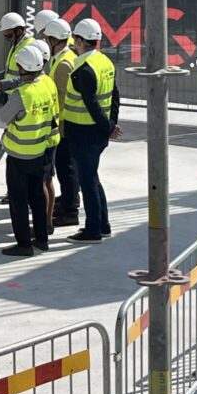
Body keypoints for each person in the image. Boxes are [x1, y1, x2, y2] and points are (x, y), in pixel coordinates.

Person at [0, 46, 59, 257]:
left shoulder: (21, 95)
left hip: (18, 156)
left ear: (21, 67)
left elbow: (4, 117)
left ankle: (23, 244)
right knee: (37, 198)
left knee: (18, 201)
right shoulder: (45, 86)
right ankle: (42, 238)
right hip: (39, 152)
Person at [63, 18, 122, 243]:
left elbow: (92, 105)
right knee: (93, 178)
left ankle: (93, 230)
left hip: (83, 133)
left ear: (79, 40)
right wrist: (111, 124)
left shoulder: (82, 70)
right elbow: (115, 95)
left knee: (87, 182)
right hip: (98, 133)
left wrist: (108, 127)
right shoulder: (105, 62)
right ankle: (103, 225)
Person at [45, 19, 80, 228]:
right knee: (67, 167)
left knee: (66, 168)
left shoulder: (64, 64)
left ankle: (70, 210)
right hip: (65, 123)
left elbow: (62, 97)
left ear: (53, 40)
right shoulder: (65, 57)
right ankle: (69, 201)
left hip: (65, 124)